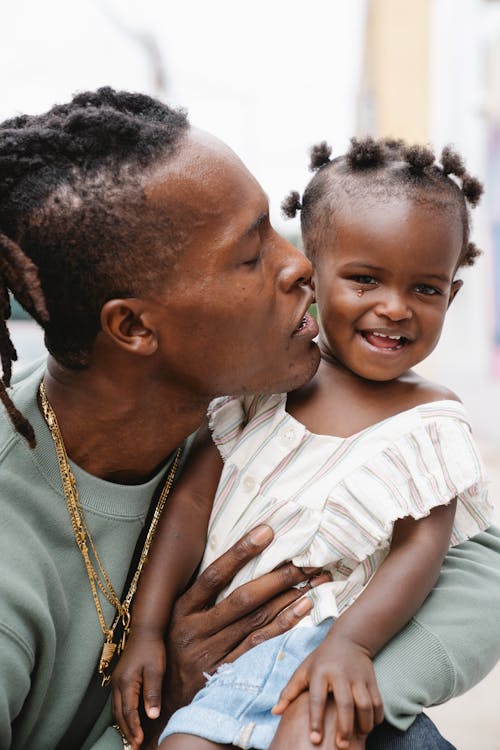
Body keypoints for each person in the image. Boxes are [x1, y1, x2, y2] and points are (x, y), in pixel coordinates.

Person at [0, 89, 499, 750]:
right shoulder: (12, 560)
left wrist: (335, 684)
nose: (300, 265)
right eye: (250, 253)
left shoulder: (257, 397)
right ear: (134, 326)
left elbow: (475, 566)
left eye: (273, 227)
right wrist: (179, 702)